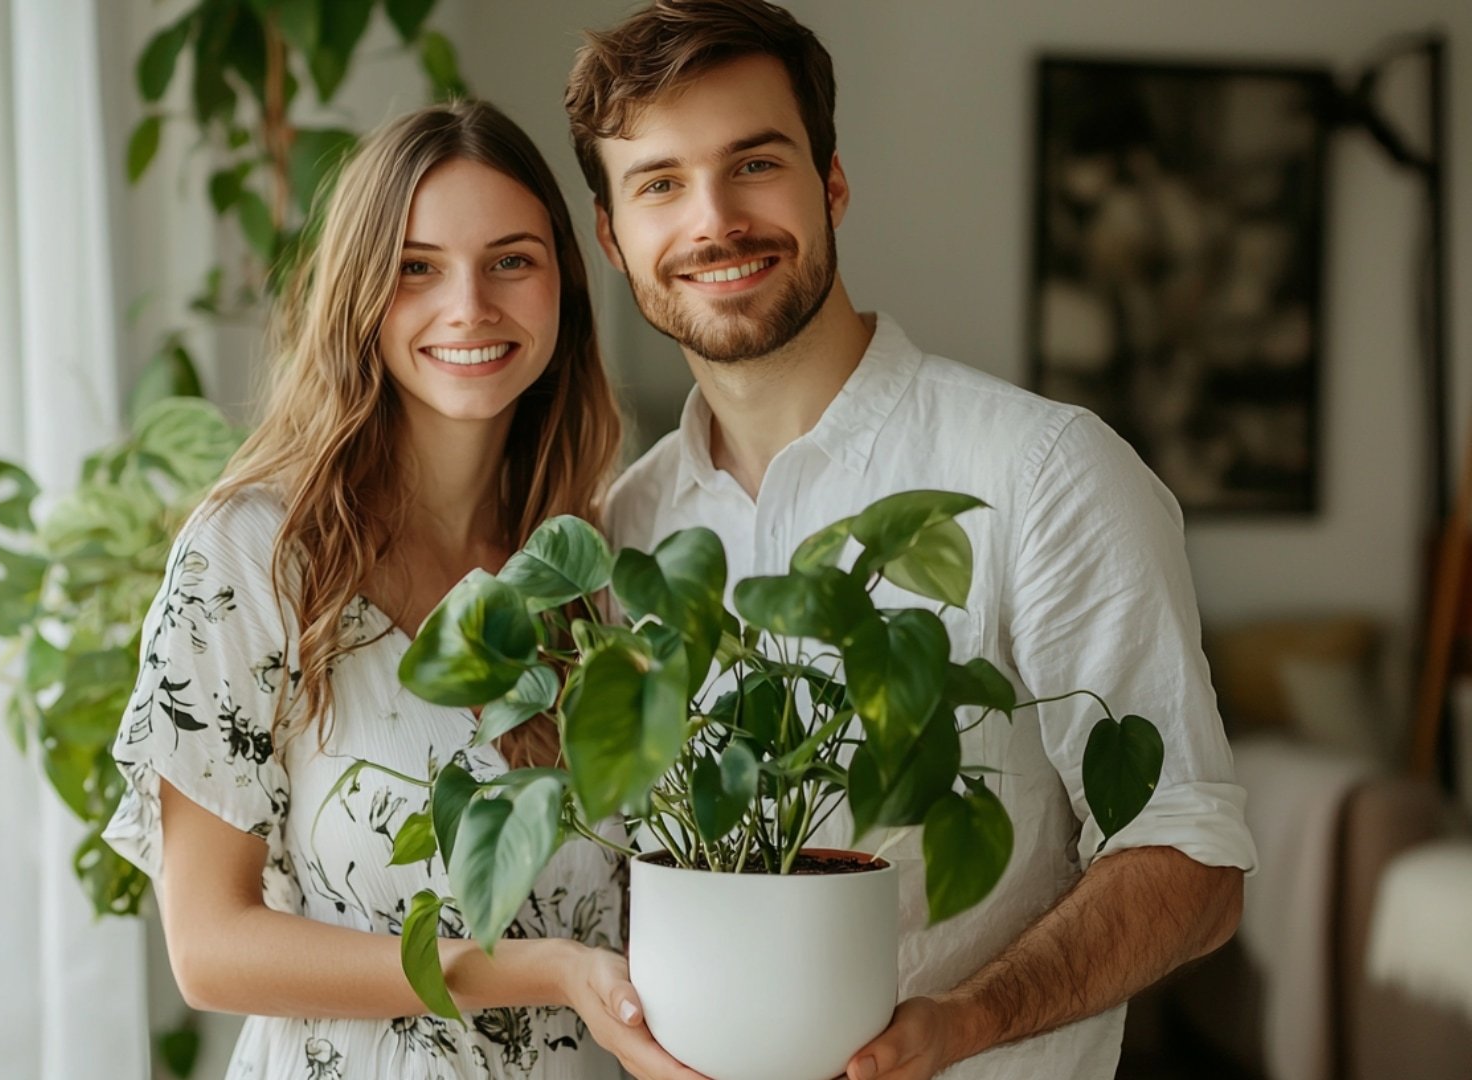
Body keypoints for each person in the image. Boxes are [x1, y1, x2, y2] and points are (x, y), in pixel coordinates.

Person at [563, 3, 1259, 1079]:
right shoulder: (624, 535)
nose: (715, 220)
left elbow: (1196, 861)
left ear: (832, 182)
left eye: (755, 163)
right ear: (613, 237)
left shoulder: (1044, 474)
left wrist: (967, 1020)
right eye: (659, 183)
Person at [102, 101, 704, 1080]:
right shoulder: (256, 556)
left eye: (511, 260)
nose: (469, 305)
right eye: (416, 267)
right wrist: (537, 971)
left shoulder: (589, 574)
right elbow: (208, 949)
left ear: (565, 286)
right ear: (359, 295)